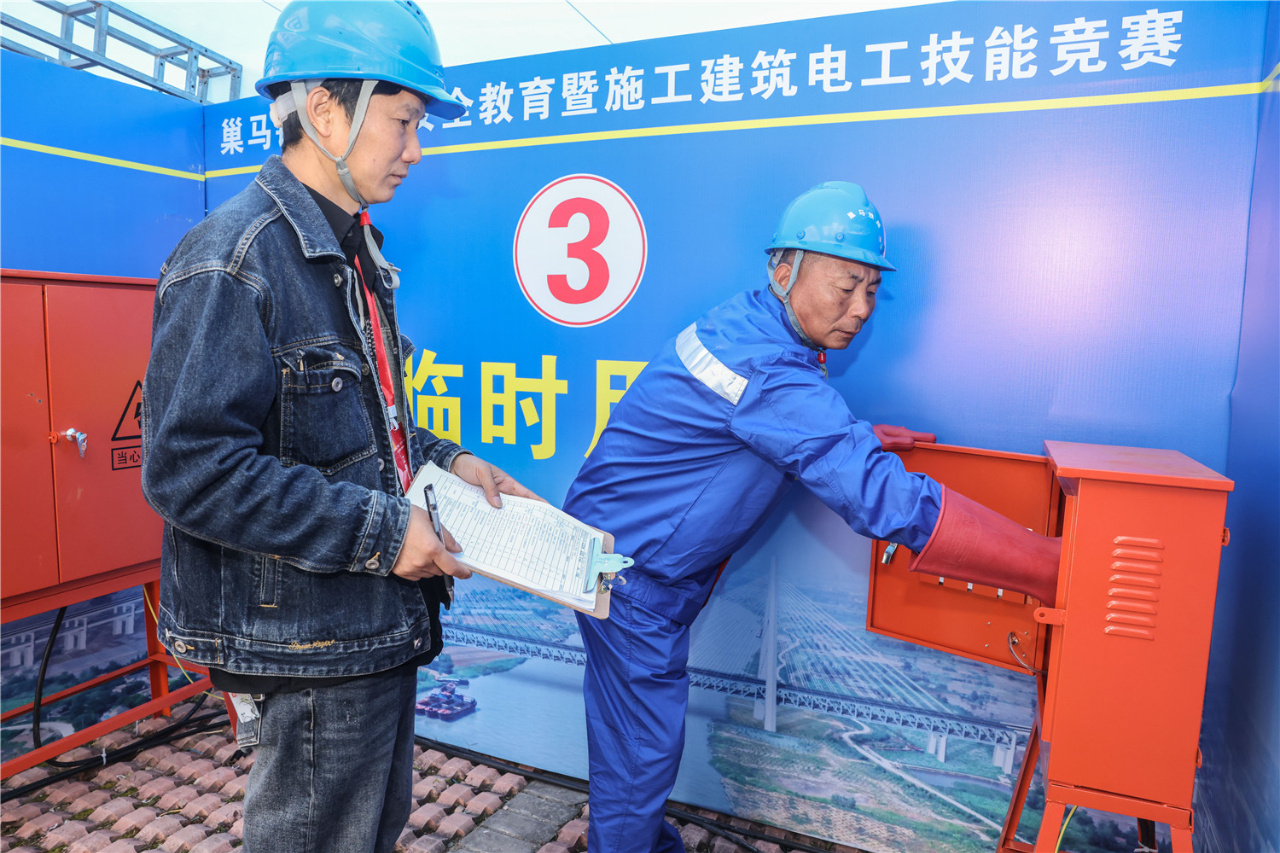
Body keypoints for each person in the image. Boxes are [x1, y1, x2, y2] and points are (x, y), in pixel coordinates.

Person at [141, 3, 538, 851]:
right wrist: (388, 532)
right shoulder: (234, 258)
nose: (415, 148)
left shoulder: (352, 252)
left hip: (368, 622)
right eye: (404, 121)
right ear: (325, 110)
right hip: (310, 639)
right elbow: (190, 468)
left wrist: (449, 461)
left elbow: (360, 426)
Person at [562, 181, 1061, 853]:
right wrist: (1048, 564)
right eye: (845, 285)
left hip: (623, 551)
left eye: (873, 290)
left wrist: (854, 438)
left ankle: (638, 838)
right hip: (629, 576)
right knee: (639, 753)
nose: (861, 309)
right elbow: (878, 494)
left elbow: (758, 429)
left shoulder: (750, 326)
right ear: (783, 270)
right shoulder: (770, 366)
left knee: (634, 743)